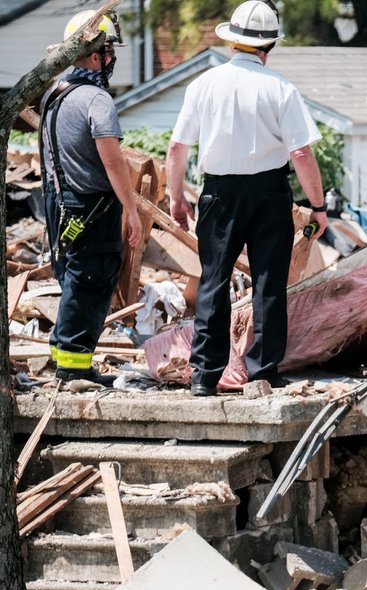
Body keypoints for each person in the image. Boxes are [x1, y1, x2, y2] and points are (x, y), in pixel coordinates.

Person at [167, 0, 328, 396]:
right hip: (269, 192)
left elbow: (176, 148)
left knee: (213, 282)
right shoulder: (280, 88)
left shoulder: (203, 84)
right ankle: (263, 371)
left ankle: (204, 376)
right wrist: (319, 207)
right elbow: (302, 153)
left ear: (232, 41)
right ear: (269, 46)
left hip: (219, 193)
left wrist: (176, 198)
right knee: (268, 283)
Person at [39, 10, 143, 384]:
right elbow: (113, 162)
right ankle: (74, 367)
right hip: (92, 206)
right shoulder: (96, 99)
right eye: (109, 50)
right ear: (96, 54)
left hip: (58, 201)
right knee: (91, 278)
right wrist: (131, 211)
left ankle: (62, 358)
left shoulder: (54, 93)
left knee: (71, 277)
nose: (112, 59)